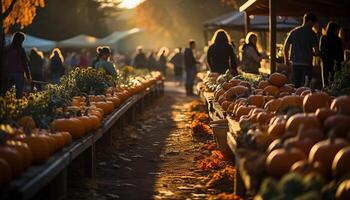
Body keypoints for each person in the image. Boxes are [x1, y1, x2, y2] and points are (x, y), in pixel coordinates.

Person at [284, 13, 319, 88]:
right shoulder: (312, 34)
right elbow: (316, 52)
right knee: (305, 88)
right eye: (313, 23)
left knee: (295, 88)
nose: (313, 25)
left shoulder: (294, 32)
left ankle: (295, 99)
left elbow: (286, 48)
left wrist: (286, 61)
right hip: (307, 65)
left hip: (295, 64)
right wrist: (310, 52)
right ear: (309, 21)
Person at [2, 32, 31, 98]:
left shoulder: (7, 49)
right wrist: (28, 76)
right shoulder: (21, 49)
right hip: (19, 73)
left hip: (8, 73)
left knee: (8, 92)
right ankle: (18, 105)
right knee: (19, 93)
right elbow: (25, 63)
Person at [319, 21, 343, 87]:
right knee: (335, 82)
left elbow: (321, 51)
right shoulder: (338, 40)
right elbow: (341, 53)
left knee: (326, 82)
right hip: (336, 63)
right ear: (335, 30)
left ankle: (325, 95)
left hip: (326, 63)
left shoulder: (324, 38)